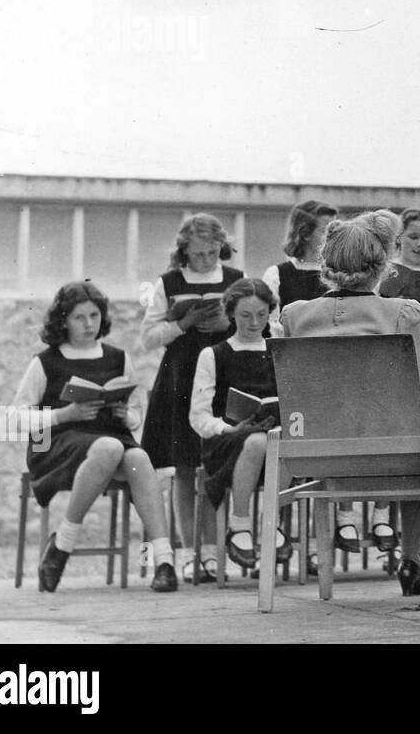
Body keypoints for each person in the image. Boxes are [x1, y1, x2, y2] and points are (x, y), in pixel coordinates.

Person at [281, 211, 420, 596]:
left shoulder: (293, 316)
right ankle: (415, 559)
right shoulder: (405, 312)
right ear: (382, 265)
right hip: (398, 455)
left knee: (413, 431)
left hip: (318, 456)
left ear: (326, 265)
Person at [13, 282, 177, 592]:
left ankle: (164, 561)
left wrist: (124, 414)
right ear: (62, 320)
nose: (89, 324)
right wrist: (63, 415)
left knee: (138, 456)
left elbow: (136, 412)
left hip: (110, 440)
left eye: (94, 315)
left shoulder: (117, 358)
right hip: (58, 445)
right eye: (79, 317)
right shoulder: (46, 361)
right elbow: (17, 416)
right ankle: (64, 543)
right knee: (109, 447)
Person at [140, 213, 243, 583]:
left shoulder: (235, 280)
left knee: (214, 465)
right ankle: (186, 553)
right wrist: (183, 323)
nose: (205, 261)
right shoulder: (167, 282)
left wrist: (225, 324)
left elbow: (256, 323)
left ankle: (214, 553)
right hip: (180, 375)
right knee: (183, 466)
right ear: (184, 250)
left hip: (223, 373)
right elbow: (148, 337)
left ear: (222, 247)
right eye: (198, 254)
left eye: (212, 253)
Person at [189, 277, 292, 571]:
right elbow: (198, 416)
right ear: (231, 313)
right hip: (228, 441)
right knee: (261, 441)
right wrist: (226, 428)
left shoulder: (279, 349)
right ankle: (241, 524)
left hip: (276, 437)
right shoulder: (214, 355)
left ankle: (271, 522)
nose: (254, 322)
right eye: (246, 315)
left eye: (261, 314)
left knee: (276, 439)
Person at [263, 199, 338, 327]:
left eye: (336, 230)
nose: (334, 237)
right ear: (305, 234)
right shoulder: (276, 275)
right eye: (326, 231)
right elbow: (270, 327)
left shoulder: (342, 275)